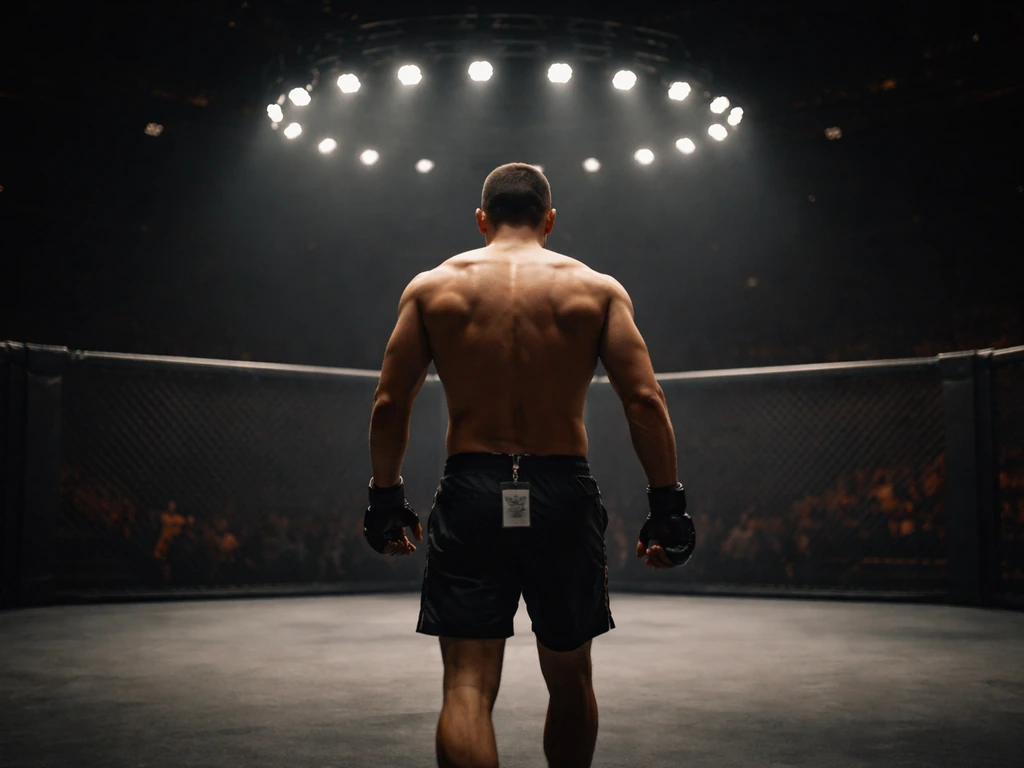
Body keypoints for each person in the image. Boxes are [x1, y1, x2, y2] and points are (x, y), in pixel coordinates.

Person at [364, 163, 695, 768]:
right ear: (549, 219)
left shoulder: (432, 288)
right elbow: (645, 399)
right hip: (560, 489)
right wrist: (667, 504)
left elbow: (390, 402)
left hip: (472, 486)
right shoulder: (595, 289)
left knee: (466, 683)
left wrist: (385, 496)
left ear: (481, 219)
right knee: (570, 678)